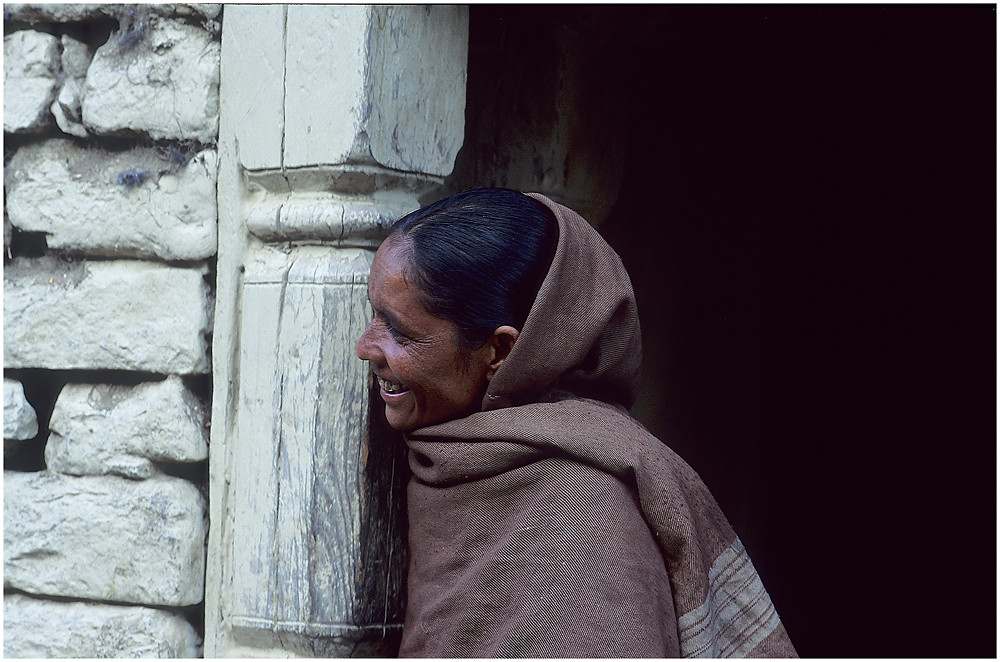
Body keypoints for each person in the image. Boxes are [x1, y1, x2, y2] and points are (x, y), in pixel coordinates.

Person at [355, 187, 797, 657]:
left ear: (499, 352)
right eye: (373, 315)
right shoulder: (449, 462)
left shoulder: (584, 512)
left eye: (399, 331)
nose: (366, 346)